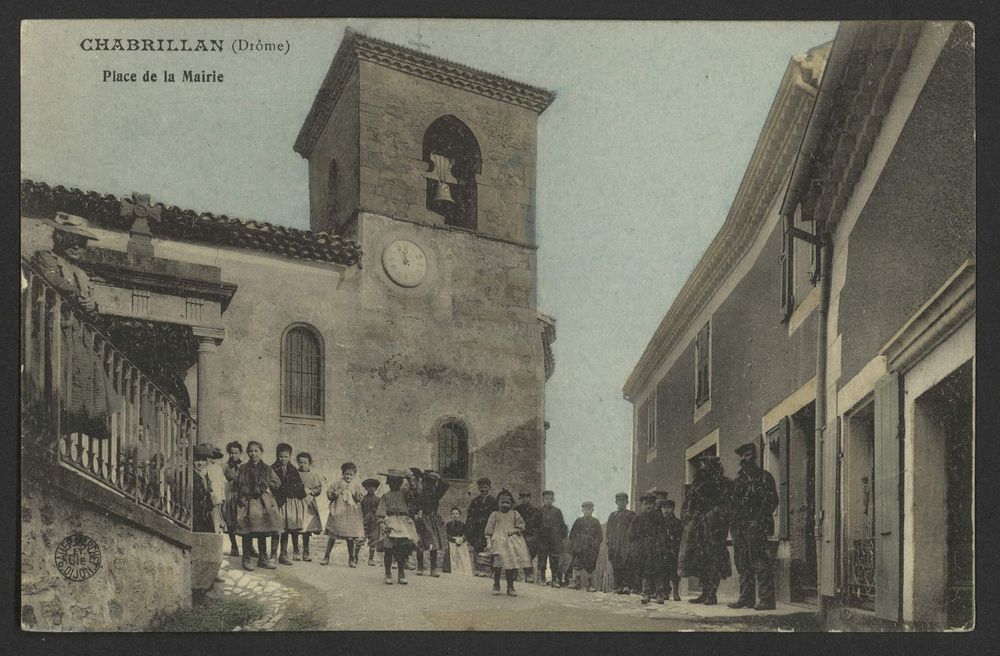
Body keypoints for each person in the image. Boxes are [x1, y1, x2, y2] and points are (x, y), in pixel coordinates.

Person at [32, 213, 120, 439]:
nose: (76, 246)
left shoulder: (81, 274)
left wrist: (93, 305)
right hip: (55, 326)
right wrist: (80, 298)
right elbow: (54, 281)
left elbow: (90, 306)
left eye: (81, 242)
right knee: (60, 375)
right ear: (59, 238)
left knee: (88, 374)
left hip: (78, 333)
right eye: (70, 239)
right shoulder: (46, 257)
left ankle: (87, 419)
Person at [728, 441, 779, 610]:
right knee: (742, 563)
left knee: (759, 561)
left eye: (747, 455)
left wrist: (758, 521)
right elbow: (733, 504)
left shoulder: (765, 477)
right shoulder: (739, 480)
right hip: (739, 528)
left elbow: (772, 501)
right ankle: (746, 598)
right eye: (742, 455)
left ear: (755, 456)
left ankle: (766, 600)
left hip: (756, 526)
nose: (744, 458)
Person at [679, 455, 733, 605]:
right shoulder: (697, 484)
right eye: (702, 465)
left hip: (715, 527)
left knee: (713, 559)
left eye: (707, 464)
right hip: (697, 528)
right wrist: (688, 517)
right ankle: (704, 592)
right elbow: (688, 504)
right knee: (699, 559)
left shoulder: (724, 484)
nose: (704, 467)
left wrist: (711, 516)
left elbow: (726, 505)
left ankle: (712, 593)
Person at [234, 440, 283, 570]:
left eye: (256, 451)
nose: (253, 454)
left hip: (263, 503)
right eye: (250, 451)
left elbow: (277, 484)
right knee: (247, 531)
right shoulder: (243, 468)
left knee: (263, 531)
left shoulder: (267, 468)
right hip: (248, 502)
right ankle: (246, 559)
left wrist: (267, 486)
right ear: (247, 452)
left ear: (261, 452)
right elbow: (237, 483)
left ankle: (262, 558)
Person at [484, 489, 532, 596]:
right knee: (497, 564)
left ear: (511, 504)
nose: (505, 505)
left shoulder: (515, 514)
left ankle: (510, 587)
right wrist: (488, 542)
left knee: (510, 566)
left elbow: (521, 526)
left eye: (507, 503)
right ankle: (496, 585)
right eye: (502, 502)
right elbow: (488, 530)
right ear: (498, 503)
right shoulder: (494, 515)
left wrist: (515, 530)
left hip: (511, 542)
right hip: (497, 541)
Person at [376, 469, 420, 585]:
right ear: (388, 483)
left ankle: (401, 573)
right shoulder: (385, 496)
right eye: (391, 482)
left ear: (400, 483)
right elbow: (380, 511)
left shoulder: (405, 495)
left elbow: (414, 494)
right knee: (388, 549)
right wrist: (382, 522)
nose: (394, 484)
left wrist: (410, 481)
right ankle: (388, 573)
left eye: (397, 482)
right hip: (390, 522)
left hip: (402, 522)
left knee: (401, 549)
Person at [322, 462, 366, 566]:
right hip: (338, 511)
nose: (348, 476)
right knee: (332, 535)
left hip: (351, 513)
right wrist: (339, 490)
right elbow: (330, 495)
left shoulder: (356, 486)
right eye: (346, 474)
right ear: (343, 474)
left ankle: (351, 558)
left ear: (354, 475)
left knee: (350, 537)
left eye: (351, 475)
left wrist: (354, 492)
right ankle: (326, 556)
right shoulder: (337, 484)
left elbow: (359, 499)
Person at [628, 493, 669, 604]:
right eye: (646, 504)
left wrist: (662, 546)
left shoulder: (658, 517)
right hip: (643, 548)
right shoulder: (638, 518)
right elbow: (631, 535)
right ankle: (646, 594)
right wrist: (637, 547)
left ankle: (659, 594)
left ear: (654, 505)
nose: (648, 506)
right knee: (645, 571)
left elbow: (663, 533)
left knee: (658, 570)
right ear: (642, 505)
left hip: (656, 547)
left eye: (651, 504)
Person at [271, 443, 306, 565]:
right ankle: (273, 554)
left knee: (285, 528)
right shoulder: (272, 468)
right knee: (277, 528)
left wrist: (290, 489)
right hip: (277, 502)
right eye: (281, 456)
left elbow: (300, 487)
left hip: (289, 503)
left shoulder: (293, 470)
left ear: (290, 457)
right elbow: (270, 485)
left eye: (286, 457)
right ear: (277, 456)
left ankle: (283, 554)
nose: (283, 459)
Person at [413, 469, 449, 577]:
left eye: (432, 482)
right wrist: (415, 514)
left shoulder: (436, 494)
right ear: (423, 482)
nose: (429, 484)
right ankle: (420, 568)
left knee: (433, 544)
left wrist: (438, 477)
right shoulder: (420, 494)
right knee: (420, 543)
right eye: (427, 482)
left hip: (433, 520)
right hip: (422, 519)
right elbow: (414, 505)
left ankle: (433, 569)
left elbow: (445, 485)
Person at [532, 490, 568, 586]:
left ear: (553, 500)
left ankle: (554, 580)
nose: (549, 501)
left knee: (554, 560)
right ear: (543, 499)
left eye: (551, 499)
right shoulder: (539, 511)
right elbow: (534, 525)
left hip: (554, 539)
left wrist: (562, 536)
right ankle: (542, 578)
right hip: (543, 540)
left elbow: (562, 525)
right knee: (542, 559)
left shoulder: (557, 512)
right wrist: (537, 538)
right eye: (547, 499)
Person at [293, 452, 324, 562]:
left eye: (305, 462)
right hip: (296, 502)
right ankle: (296, 550)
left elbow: (318, 488)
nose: (302, 465)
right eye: (300, 462)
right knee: (296, 527)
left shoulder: (313, 475)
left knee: (306, 528)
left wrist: (311, 491)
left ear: (309, 463)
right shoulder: (294, 473)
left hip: (308, 503)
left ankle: (306, 551)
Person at [465, 477, 498, 576]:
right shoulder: (475, 501)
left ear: (489, 487)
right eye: (481, 487)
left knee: (489, 548)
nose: (483, 489)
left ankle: (489, 570)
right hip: (477, 529)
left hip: (488, 528)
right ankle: (478, 569)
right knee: (477, 548)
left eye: (485, 487)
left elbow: (495, 514)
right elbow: (470, 514)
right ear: (479, 488)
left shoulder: (493, 500)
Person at [606, 492, 636, 594]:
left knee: (627, 562)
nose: (621, 503)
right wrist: (610, 542)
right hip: (615, 543)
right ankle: (617, 585)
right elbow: (609, 530)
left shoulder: (630, 514)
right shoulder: (613, 515)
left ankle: (627, 585)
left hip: (626, 542)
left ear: (627, 502)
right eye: (619, 501)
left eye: (623, 501)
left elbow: (634, 529)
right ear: (616, 502)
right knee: (616, 562)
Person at [569, 501, 603, 591]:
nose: (587, 511)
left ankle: (589, 584)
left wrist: (595, 544)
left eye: (589, 509)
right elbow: (572, 534)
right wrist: (576, 543)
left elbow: (600, 536)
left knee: (590, 566)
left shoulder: (596, 522)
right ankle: (577, 582)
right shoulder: (578, 521)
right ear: (582, 510)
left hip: (590, 548)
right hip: (579, 547)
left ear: (592, 510)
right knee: (577, 564)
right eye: (585, 509)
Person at [221, 441, 247, 557]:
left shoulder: (245, 466)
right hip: (231, 495)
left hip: (242, 494)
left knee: (244, 521)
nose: (233, 455)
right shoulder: (225, 466)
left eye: (236, 453)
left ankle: (249, 547)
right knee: (231, 520)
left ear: (240, 453)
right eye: (231, 453)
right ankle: (234, 546)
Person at [192, 443, 224, 533]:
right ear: (192, 461)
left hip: (205, 511)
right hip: (196, 512)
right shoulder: (190, 475)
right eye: (197, 460)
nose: (200, 463)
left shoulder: (204, 474)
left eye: (203, 460)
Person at [660, 498, 683, 601]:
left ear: (673, 509)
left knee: (674, 572)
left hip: (674, 550)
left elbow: (680, 536)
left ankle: (676, 591)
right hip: (662, 549)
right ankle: (665, 592)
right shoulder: (659, 522)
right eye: (664, 508)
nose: (666, 510)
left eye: (669, 508)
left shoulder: (678, 522)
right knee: (663, 571)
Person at [515, 490, 540, 583]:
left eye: (527, 497)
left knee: (529, 554)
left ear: (529, 498)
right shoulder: (516, 509)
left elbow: (537, 524)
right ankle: (516, 574)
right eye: (523, 497)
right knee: (517, 554)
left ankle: (528, 574)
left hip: (529, 535)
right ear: (520, 498)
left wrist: (535, 536)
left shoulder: (534, 510)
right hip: (518, 534)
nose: (525, 499)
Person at [446, 507, 474, 576]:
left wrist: (462, 539)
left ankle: (463, 571)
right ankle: (454, 571)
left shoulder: (463, 524)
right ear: (451, 515)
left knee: (463, 557)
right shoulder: (448, 525)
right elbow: (446, 535)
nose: (455, 515)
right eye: (453, 514)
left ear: (459, 515)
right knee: (453, 556)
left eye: (457, 514)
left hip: (461, 542)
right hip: (452, 542)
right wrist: (454, 540)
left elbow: (466, 534)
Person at [361, 478, 381, 566]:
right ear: (366, 488)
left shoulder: (378, 499)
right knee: (360, 539)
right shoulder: (363, 499)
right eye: (369, 487)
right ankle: (355, 558)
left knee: (373, 540)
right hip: (364, 521)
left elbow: (381, 511)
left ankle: (371, 559)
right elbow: (360, 510)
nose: (371, 489)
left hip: (374, 522)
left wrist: (376, 510)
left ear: (376, 488)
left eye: (373, 487)